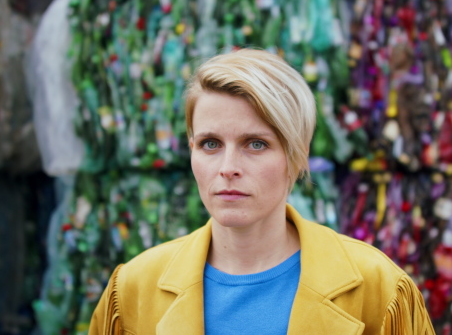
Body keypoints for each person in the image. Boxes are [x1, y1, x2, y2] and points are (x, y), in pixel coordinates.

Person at [90, 49, 434, 334]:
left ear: (297, 155)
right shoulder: (135, 288)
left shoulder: (378, 289)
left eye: (255, 144)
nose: (227, 167)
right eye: (210, 143)